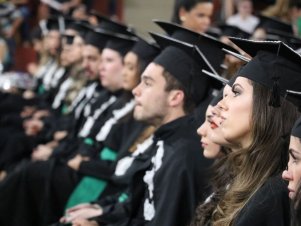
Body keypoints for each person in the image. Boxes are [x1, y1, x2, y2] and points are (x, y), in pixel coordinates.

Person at [193, 38, 301, 226]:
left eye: (236, 92)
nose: (220, 105)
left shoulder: (273, 196)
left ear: (268, 106)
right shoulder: (243, 177)